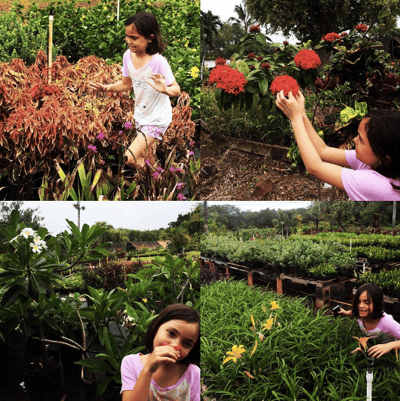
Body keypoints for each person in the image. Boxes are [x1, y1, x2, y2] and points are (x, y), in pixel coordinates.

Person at [89, 11, 181, 169]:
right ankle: (160, 186)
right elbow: (126, 84)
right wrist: (107, 87)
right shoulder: (127, 56)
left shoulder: (158, 61)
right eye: (127, 36)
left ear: (150, 38)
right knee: (148, 159)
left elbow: (177, 89)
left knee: (130, 158)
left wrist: (165, 89)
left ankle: (157, 181)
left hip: (157, 118)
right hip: (141, 116)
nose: (128, 41)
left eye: (134, 38)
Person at [275, 90, 400, 200]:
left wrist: (295, 118)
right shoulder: (373, 160)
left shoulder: (378, 186)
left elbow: (314, 167)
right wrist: (301, 113)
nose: (355, 140)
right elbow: (323, 151)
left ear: (385, 159)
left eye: (361, 140)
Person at [120, 303, 200, 401]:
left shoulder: (193, 374)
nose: (175, 345)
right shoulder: (131, 363)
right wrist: (147, 370)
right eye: (171, 333)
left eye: (187, 343)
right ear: (157, 327)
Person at [338, 283, 400, 358]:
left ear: (377, 304)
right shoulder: (361, 314)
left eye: (367, 302)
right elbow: (354, 313)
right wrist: (345, 312)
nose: (361, 306)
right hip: (372, 352)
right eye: (358, 301)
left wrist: (389, 346)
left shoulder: (386, 322)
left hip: (389, 357)